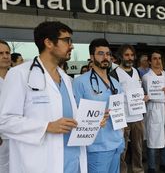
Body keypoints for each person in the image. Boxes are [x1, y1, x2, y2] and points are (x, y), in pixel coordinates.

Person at [0, 21, 87, 173]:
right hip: (40, 164)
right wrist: (46, 127)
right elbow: (5, 121)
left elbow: (68, 117)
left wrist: (91, 120)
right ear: (48, 43)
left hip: (72, 162)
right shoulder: (20, 74)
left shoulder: (66, 79)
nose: (71, 46)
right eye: (67, 40)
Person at [73, 38, 124, 173]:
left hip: (117, 143)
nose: (105, 57)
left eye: (107, 54)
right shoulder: (80, 83)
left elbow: (121, 111)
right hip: (96, 148)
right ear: (91, 57)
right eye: (101, 53)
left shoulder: (115, 83)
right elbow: (74, 115)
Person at [110, 44, 146, 173]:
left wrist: (143, 97)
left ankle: (138, 170)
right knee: (122, 149)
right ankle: (122, 171)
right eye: (126, 55)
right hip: (123, 118)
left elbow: (139, 90)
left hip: (138, 117)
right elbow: (112, 96)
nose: (129, 58)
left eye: (131, 55)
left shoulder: (136, 72)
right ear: (121, 56)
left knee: (138, 148)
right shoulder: (114, 74)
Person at [0, 39, 11, 173]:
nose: (5, 56)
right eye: (1, 53)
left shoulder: (17, 77)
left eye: (7, 52)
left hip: (17, 137)